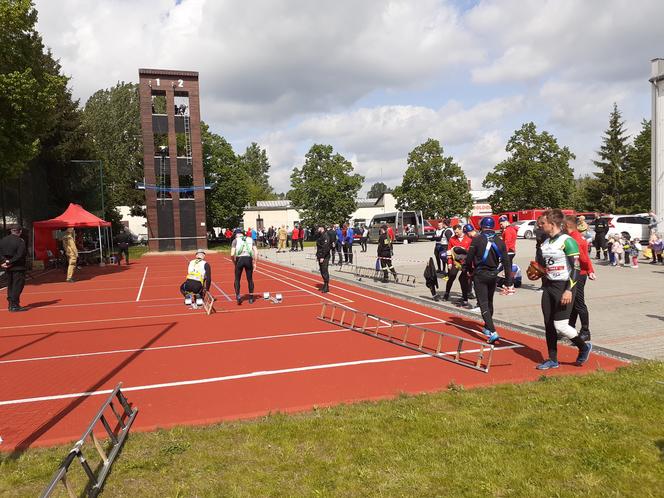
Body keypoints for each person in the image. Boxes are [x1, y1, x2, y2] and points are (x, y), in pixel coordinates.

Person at [535, 209, 592, 370]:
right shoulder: (545, 242)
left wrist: (568, 290)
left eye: (543, 223)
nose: (540, 225)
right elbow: (544, 265)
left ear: (552, 224)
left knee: (561, 325)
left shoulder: (567, 241)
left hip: (565, 286)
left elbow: (575, 268)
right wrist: (538, 271)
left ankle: (584, 347)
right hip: (549, 287)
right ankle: (552, 359)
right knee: (549, 325)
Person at [464, 217, 510, 343]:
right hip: (493, 274)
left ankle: (493, 331)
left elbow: (469, 258)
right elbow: (506, 261)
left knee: (483, 303)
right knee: (490, 301)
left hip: (480, 274)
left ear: (482, 226)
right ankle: (487, 327)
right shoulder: (500, 241)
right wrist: (508, 281)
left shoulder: (477, 239)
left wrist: (466, 269)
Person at [564, 215, 596, 343]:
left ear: (567, 226)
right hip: (579, 272)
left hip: (578, 274)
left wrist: (588, 270)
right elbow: (586, 256)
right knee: (573, 304)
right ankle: (570, 329)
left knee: (579, 303)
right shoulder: (578, 237)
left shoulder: (574, 239)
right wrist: (590, 270)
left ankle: (585, 331)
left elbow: (582, 258)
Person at [443, 224, 473, 305]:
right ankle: (446, 293)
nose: (456, 234)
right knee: (452, 275)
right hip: (455, 261)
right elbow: (449, 251)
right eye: (455, 232)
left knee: (464, 279)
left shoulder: (469, 239)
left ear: (461, 230)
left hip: (465, 262)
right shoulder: (452, 239)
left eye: (457, 232)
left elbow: (471, 252)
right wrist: (449, 263)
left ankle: (465, 296)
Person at [0, 226, 28, 312]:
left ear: (11, 231)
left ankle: (10, 304)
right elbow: (20, 255)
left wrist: (4, 262)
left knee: (11, 285)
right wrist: (9, 262)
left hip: (8, 267)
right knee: (17, 286)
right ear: (20, 231)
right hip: (18, 267)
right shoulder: (20, 241)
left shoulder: (3, 240)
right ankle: (14, 305)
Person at [231, 229, 258, 305]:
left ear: (236, 234)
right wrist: (255, 263)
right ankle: (251, 298)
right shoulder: (251, 239)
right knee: (250, 279)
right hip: (248, 259)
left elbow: (232, 254)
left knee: (237, 279)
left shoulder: (235, 240)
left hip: (239, 260)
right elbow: (256, 252)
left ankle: (238, 296)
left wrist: (234, 262)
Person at [498, 215, 517, 289]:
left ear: (505, 221)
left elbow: (507, 243)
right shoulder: (511, 229)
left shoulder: (508, 231)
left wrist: (503, 253)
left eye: (501, 224)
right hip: (511, 251)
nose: (501, 226)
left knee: (507, 270)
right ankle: (510, 284)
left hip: (508, 252)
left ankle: (509, 286)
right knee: (508, 269)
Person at [316, 225, 332, 293]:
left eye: (318, 228)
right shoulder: (320, 235)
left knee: (324, 270)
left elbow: (326, 247)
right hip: (320, 255)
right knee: (322, 271)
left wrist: (322, 256)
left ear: (322, 228)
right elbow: (319, 247)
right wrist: (318, 256)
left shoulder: (325, 235)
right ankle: (325, 285)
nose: (317, 229)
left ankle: (326, 286)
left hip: (325, 256)